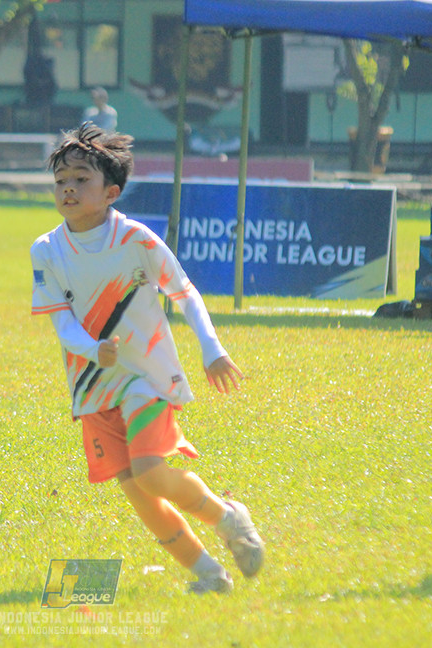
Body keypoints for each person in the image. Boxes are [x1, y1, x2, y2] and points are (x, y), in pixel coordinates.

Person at [30, 123, 263, 593]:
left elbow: (185, 292)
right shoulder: (46, 250)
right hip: (93, 387)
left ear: (111, 191)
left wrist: (212, 348)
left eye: (81, 179)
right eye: (61, 181)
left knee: (152, 474)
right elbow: (63, 326)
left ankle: (228, 517)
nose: (68, 188)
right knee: (139, 494)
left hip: (146, 377)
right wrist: (94, 349)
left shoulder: (135, 239)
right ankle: (208, 574)